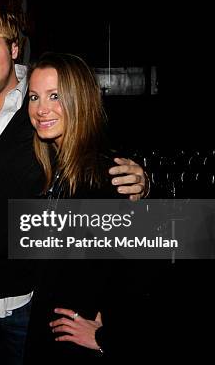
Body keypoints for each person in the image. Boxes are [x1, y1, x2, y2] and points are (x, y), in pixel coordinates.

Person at [0, 0, 148, 364]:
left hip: (34, 309)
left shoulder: (48, 121)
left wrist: (144, 183)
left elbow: (142, 261)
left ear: (13, 49)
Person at [22, 52, 153, 362]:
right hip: (51, 335)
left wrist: (106, 338)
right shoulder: (55, 169)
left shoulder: (107, 179)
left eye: (55, 96)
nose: (41, 109)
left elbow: (141, 278)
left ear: (79, 100)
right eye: (34, 97)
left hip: (76, 348)